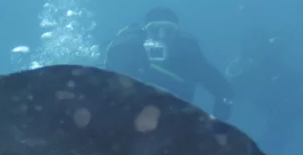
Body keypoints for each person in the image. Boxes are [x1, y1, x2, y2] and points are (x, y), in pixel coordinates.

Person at [102, 7, 240, 121]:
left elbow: (224, 92)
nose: (161, 36)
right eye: (154, 30)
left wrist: (216, 129)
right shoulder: (130, 52)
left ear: (177, 34)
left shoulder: (189, 58)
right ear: (145, 33)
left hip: (173, 121)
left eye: (169, 31)